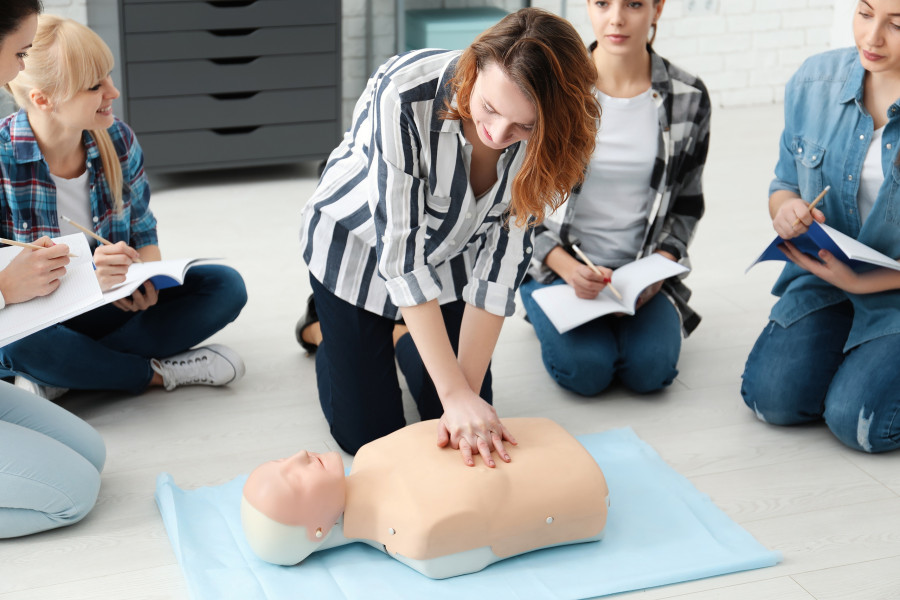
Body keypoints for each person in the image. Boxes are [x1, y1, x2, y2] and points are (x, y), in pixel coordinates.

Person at [295, 8, 600, 464]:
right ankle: (325, 328)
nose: (498, 134)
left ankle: (403, 332)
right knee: (370, 438)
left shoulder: (553, 141)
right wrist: (456, 392)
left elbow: (501, 269)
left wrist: (461, 398)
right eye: (490, 109)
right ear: (475, 68)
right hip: (356, 250)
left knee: (458, 418)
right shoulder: (403, 93)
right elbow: (400, 257)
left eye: (524, 126)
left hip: (450, 259)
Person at [0, 15, 248, 401]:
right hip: (39, 317)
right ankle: (152, 374)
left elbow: (144, 232)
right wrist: (83, 277)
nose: (113, 93)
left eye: (109, 77)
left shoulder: (118, 139)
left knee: (225, 286)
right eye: (95, 86)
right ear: (43, 99)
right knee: (17, 346)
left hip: (108, 305)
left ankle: (65, 375)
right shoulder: (2, 158)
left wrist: (143, 277)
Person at [518, 0, 709, 398]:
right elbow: (520, 201)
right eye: (602, 3)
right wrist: (567, 268)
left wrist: (662, 266)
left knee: (651, 373)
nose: (616, 18)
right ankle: (545, 309)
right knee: (586, 372)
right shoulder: (553, 91)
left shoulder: (688, 97)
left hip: (639, 272)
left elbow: (687, 204)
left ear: (657, 9)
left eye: (634, 4)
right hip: (558, 268)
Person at [741, 0, 900, 454]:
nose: (872, 37)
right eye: (866, 13)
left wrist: (862, 283)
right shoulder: (815, 81)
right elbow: (784, 181)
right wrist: (787, 209)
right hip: (827, 279)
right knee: (772, 401)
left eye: (897, 24)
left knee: (861, 425)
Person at [241, 418, 609, 579]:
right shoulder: (417, 534)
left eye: (281, 460)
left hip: (554, 458)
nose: (300, 455)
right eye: (295, 481)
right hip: (577, 485)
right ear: (318, 531)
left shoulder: (370, 454)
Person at [0, 0, 105, 539]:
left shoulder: (115, 143)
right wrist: (3, 286)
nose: (21, 68)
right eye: (19, 51)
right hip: (23, 321)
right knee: (72, 496)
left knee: (92, 451)